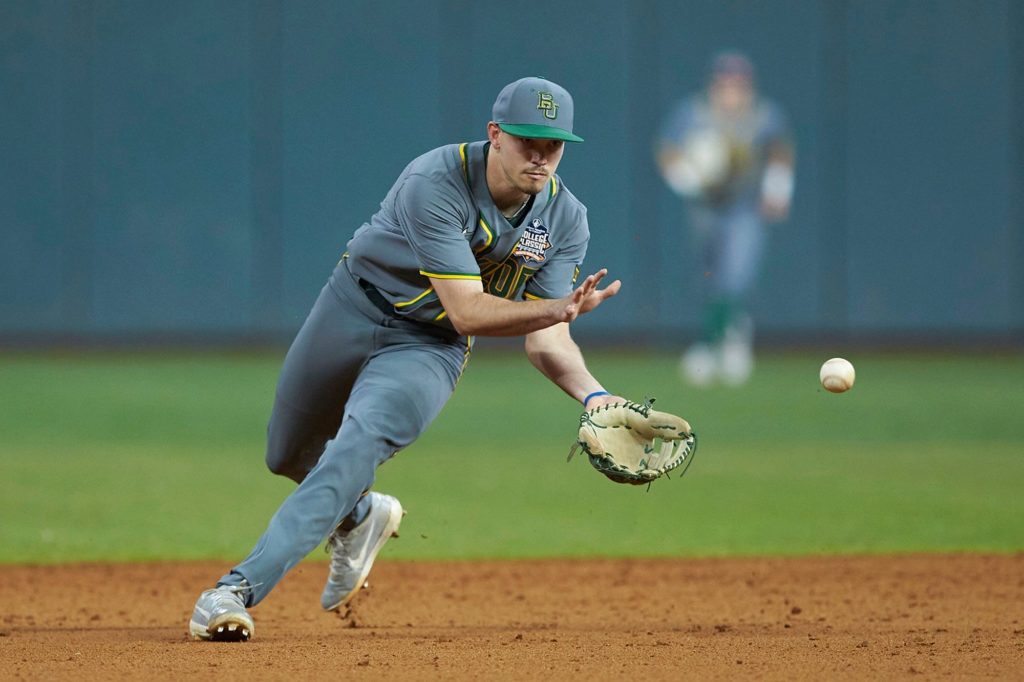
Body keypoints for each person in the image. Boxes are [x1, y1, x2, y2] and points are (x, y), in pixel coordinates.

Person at [188, 76, 624, 641]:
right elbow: (470, 309)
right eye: (526, 141)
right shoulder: (436, 181)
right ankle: (360, 515)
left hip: (429, 347)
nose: (541, 156)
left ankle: (234, 591)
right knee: (287, 454)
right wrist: (558, 308)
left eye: (554, 144)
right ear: (496, 135)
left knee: (357, 442)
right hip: (351, 306)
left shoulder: (566, 219)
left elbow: (545, 340)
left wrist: (595, 393)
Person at [655, 51, 795, 386]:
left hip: (743, 207)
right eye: (724, 82)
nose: (731, 89)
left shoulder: (763, 114)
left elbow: (780, 149)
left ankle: (714, 345)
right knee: (709, 276)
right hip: (706, 206)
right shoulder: (693, 112)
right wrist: (686, 178)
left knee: (735, 276)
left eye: (738, 83)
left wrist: (778, 190)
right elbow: (667, 150)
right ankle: (727, 334)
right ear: (714, 84)